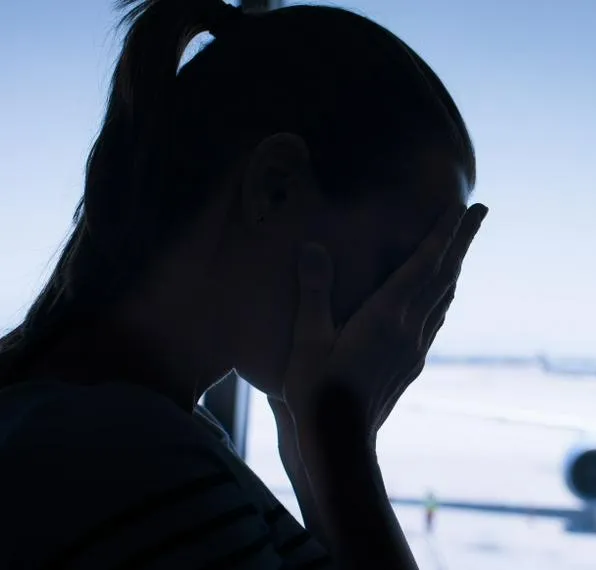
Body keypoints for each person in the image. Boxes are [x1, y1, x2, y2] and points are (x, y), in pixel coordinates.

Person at [0, 1, 486, 569]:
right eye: (398, 266)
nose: (406, 321)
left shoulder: (104, 424)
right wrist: (342, 450)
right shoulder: (129, 461)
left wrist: (316, 460)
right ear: (274, 188)